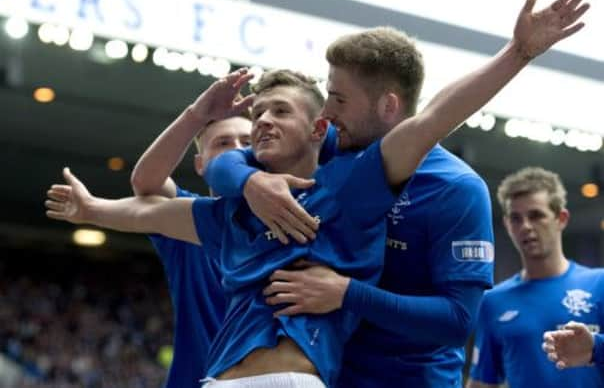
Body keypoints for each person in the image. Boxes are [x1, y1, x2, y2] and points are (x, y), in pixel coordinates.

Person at [46, 30, 538, 388]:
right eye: (258, 112)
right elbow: (147, 205)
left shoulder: (348, 190)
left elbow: (433, 118)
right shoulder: (233, 211)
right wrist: (92, 209)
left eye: (282, 111)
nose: (262, 122)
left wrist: (517, 53)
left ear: (318, 129)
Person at [202, 0, 589, 387]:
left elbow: (458, 322)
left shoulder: (454, 187)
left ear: (388, 106)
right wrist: (251, 183)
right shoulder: (333, 158)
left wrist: (348, 293)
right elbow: (225, 161)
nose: (326, 111)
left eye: (337, 99)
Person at [48, 115, 255, 388]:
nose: (236, 148)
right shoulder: (189, 217)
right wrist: (198, 113)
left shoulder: (301, 217)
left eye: (247, 142)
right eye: (222, 142)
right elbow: (147, 184)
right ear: (200, 164)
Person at [466, 167, 604, 388]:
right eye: (516, 218)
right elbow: (482, 382)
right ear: (507, 226)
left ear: (561, 218)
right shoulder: (493, 302)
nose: (526, 226)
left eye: (536, 215)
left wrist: (596, 347)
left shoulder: (599, 285)